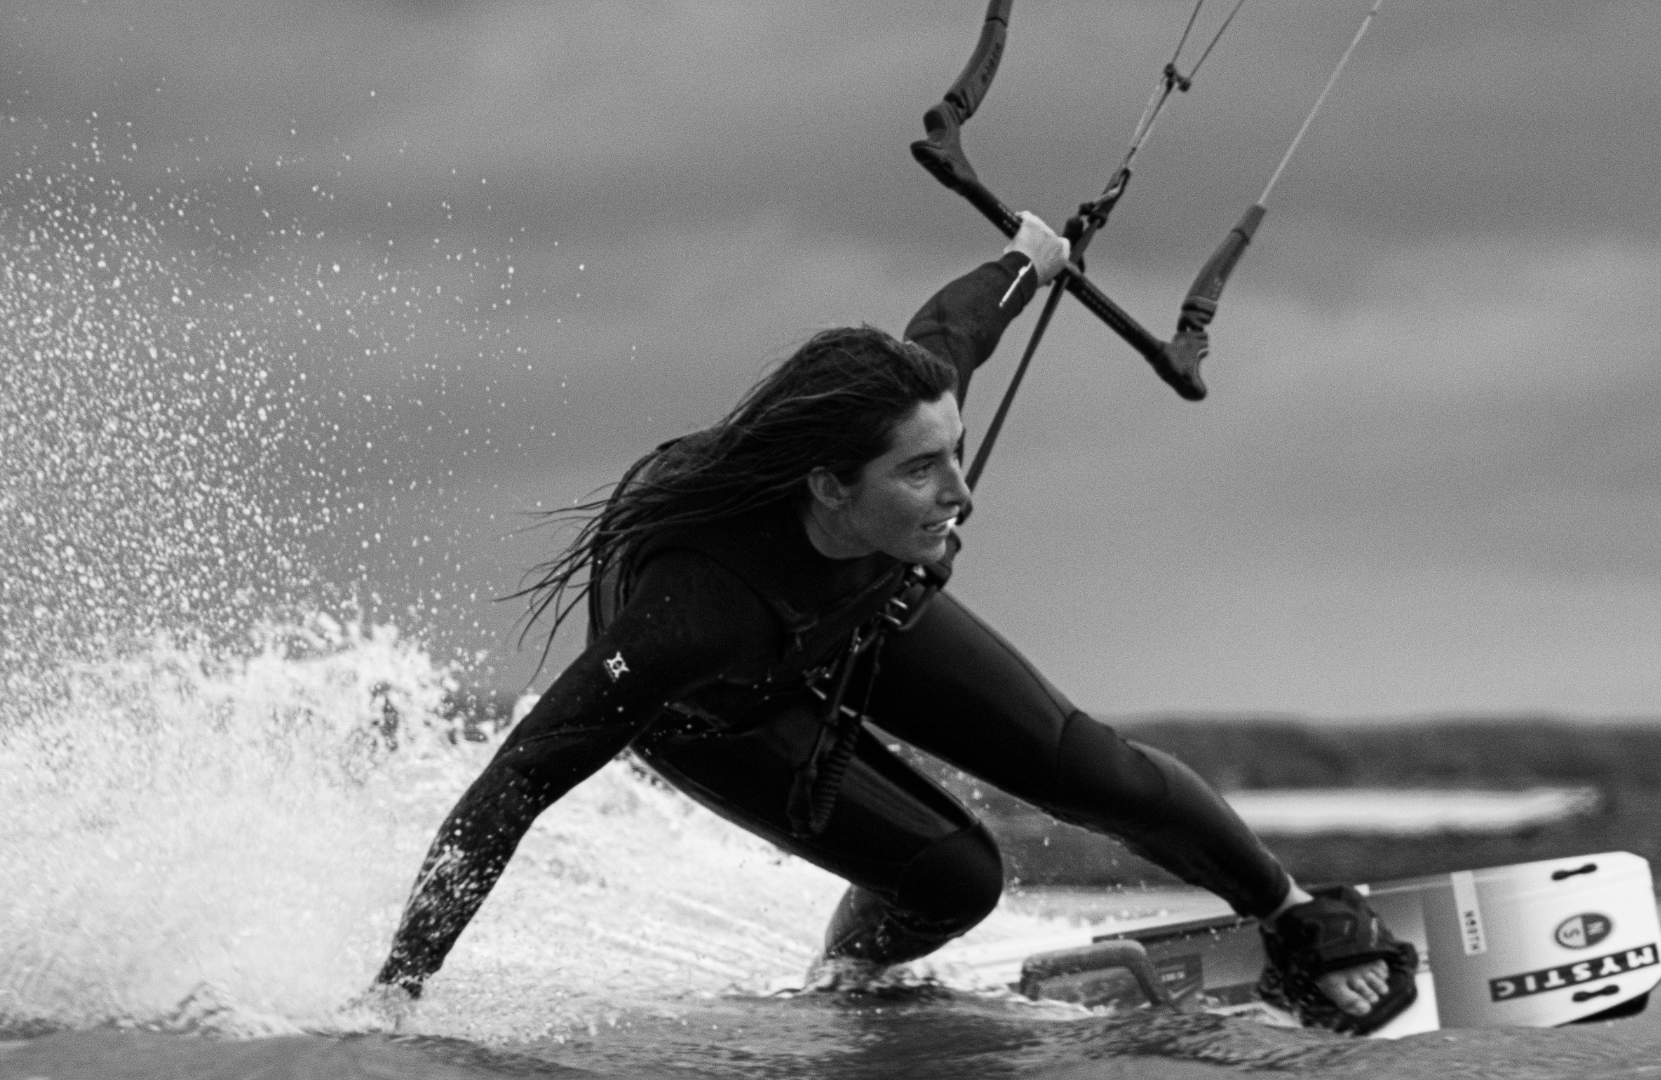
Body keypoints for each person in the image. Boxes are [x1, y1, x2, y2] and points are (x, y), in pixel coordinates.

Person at [358, 213, 1416, 1034]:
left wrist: (1029, 257)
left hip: (856, 600)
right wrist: (397, 998)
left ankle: (1290, 914)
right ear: (828, 485)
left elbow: (955, 326)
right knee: (958, 880)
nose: (960, 491)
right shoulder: (691, 615)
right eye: (922, 471)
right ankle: (849, 986)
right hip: (722, 709)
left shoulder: (892, 421)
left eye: (953, 452)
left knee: (1095, 771)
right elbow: (514, 784)